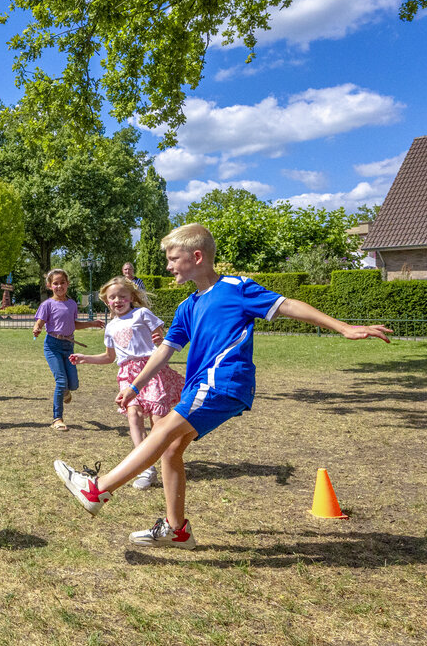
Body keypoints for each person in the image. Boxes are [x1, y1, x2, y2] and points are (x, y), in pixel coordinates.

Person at [54, 223, 392, 548]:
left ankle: (97, 490)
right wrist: (135, 386)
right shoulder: (188, 306)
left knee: (163, 430)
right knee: (171, 449)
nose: (168, 266)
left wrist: (343, 327)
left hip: (223, 382)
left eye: (173, 259)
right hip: (201, 386)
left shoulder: (236, 288)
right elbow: (165, 351)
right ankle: (176, 531)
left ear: (197, 257)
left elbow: (287, 305)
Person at [70, 275, 183, 490]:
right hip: (127, 375)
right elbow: (109, 357)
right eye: (112, 297)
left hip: (151, 370)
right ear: (106, 301)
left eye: (122, 296)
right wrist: (86, 358)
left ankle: (167, 461)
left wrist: (161, 340)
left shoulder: (142, 314)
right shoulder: (110, 327)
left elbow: (162, 342)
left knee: (158, 422)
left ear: (132, 296)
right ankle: (146, 469)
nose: (117, 300)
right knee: (133, 415)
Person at [32, 269, 104, 431]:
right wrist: (36, 328)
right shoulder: (47, 304)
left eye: (62, 283)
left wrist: (91, 323)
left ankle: (66, 391)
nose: (59, 286)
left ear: (67, 284)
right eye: (55, 283)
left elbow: (74, 324)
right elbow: (39, 322)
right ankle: (57, 418)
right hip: (52, 346)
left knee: (74, 384)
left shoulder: (71, 304)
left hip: (68, 346)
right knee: (61, 381)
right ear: (49, 286)